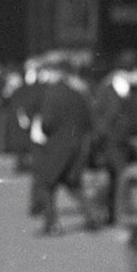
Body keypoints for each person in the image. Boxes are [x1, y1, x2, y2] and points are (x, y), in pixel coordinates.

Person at [24, 64, 94, 232]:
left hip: (57, 145)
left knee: (47, 183)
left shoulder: (52, 94)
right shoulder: (78, 95)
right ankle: (93, 217)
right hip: (77, 144)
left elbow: (47, 123)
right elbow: (88, 120)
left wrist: (45, 131)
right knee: (73, 184)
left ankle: (51, 223)